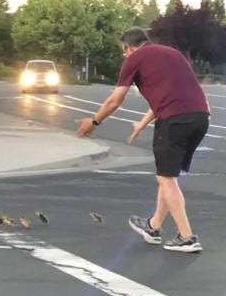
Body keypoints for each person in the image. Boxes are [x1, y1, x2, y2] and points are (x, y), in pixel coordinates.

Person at [76, 28, 209, 253]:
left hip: (174, 121)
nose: (124, 56)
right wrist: (142, 123)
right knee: (168, 176)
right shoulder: (172, 53)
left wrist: (94, 122)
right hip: (200, 118)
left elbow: (114, 100)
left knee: (166, 179)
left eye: (123, 51)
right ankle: (153, 226)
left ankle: (186, 237)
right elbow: (170, 94)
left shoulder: (135, 58)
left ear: (129, 47)